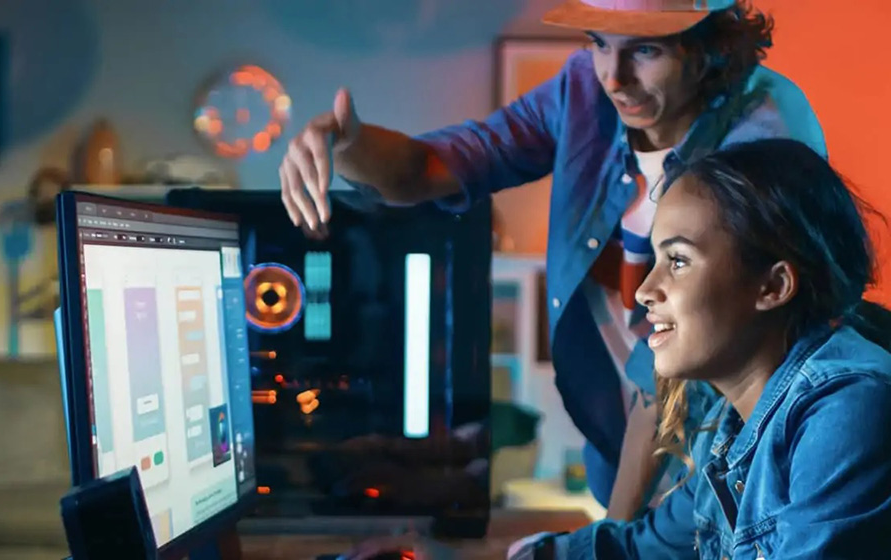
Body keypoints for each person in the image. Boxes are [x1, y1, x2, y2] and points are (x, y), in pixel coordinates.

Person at [279, 0, 826, 518]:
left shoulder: (765, 130)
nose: (613, 77)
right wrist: (344, 144)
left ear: (710, 45)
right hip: (622, 455)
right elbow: (434, 167)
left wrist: (616, 536)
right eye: (598, 43)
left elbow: (671, 375)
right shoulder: (582, 92)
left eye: (645, 51)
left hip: (731, 466)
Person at [506, 138, 891, 559]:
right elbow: (646, 548)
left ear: (773, 287)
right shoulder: (731, 428)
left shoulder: (851, 412)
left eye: (679, 262)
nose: (645, 291)